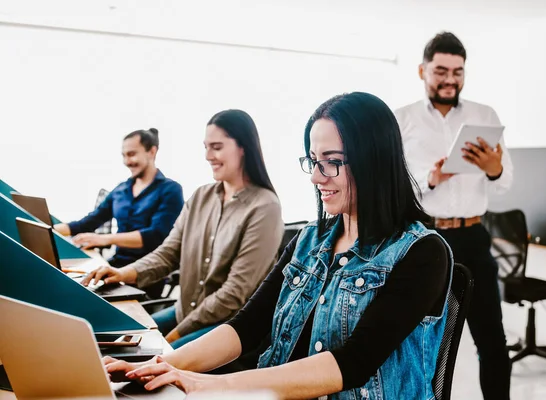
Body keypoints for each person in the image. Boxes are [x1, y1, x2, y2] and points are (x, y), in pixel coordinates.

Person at [102, 92, 452, 399]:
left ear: (374, 160)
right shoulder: (308, 241)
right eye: (314, 161)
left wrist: (204, 385)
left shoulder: (422, 253)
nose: (316, 177)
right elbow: (247, 326)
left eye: (332, 162)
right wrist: (156, 364)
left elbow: (353, 364)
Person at [82, 110, 284, 349]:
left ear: (244, 148)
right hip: (186, 311)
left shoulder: (265, 207)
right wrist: (123, 273)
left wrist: (176, 335)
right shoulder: (201, 196)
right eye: (206, 147)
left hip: (228, 326)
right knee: (112, 339)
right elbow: (168, 253)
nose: (208, 156)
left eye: (217, 147)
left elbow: (233, 294)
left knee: (150, 359)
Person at [395, 32, 514, 400]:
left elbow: (505, 183)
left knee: (492, 341)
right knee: (417, 343)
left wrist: (494, 168)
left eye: (458, 72)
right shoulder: (402, 120)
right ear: (422, 70)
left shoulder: (485, 116)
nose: (450, 80)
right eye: (441, 71)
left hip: (474, 238)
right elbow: (395, 190)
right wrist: (432, 179)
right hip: (424, 240)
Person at [54, 128, 184, 270]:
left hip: (148, 270)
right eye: (124, 156)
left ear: (152, 152)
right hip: (117, 264)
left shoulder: (171, 190)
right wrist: (50, 229)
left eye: (132, 154)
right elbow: (87, 223)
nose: (127, 161)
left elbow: (156, 236)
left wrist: (105, 239)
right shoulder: (120, 190)